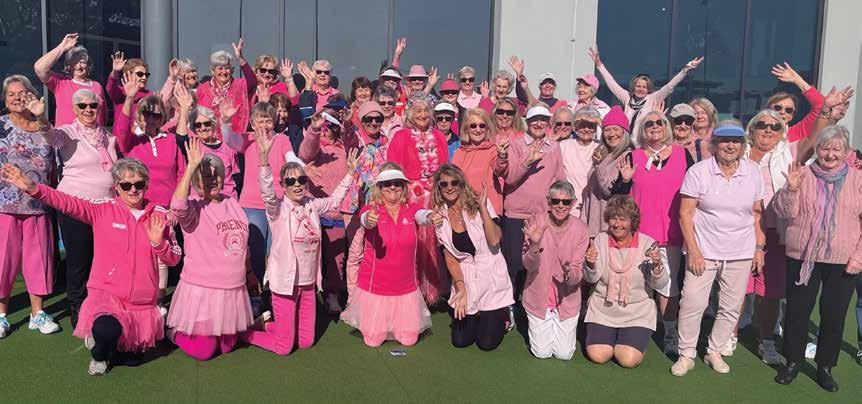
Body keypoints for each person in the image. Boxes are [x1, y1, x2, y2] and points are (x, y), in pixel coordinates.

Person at [1, 158, 181, 375]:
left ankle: (113, 345)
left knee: (132, 361)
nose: (133, 190)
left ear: (146, 185)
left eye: (139, 184)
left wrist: (158, 243)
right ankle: (99, 353)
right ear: (116, 187)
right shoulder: (103, 210)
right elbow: (66, 202)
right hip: (108, 296)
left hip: (141, 302)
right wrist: (33, 188)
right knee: (106, 330)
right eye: (126, 185)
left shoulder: (159, 215)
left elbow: (174, 259)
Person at [243, 131, 356, 355]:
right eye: (291, 181)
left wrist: (350, 174)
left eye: (301, 180)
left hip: (307, 284)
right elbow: (267, 194)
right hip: (284, 285)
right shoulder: (277, 209)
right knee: (284, 347)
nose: (297, 185)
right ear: (283, 185)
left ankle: (268, 325)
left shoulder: (312, 204)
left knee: (305, 342)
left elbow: (334, 201)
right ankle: (245, 333)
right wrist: (264, 162)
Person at [672, 122, 766, 376]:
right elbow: (685, 214)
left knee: (731, 306)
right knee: (692, 302)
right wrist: (693, 250)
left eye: (735, 141)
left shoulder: (753, 172)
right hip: (703, 251)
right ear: (714, 144)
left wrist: (759, 247)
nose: (730, 145)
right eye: (725, 140)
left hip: (741, 252)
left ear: (742, 146)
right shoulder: (699, 172)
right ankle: (686, 354)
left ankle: (714, 350)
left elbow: (757, 214)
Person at [774, 126, 862, 392]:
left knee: (834, 316)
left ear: (846, 152)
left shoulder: (858, 179)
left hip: (843, 259)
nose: (830, 154)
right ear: (817, 150)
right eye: (825, 148)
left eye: (836, 149)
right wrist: (791, 190)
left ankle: (825, 366)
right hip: (802, 256)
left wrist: (858, 257)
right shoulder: (801, 174)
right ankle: (792, 362)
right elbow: (784, 213)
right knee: (797, 312)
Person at [615, 110, 693, 355]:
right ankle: (636, 329)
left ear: (667, 127)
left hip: (672, 234)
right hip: (640, 234)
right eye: (649, 123)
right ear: (642, 129)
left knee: (669, 287)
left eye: (660, 122)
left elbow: (695, 192)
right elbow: (618, 197)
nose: (655, 126)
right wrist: (624, 180)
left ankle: (669, 332)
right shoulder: (633, 156)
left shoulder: (682, 154)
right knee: (639, 285)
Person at [40, 88, 119, 327]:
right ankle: (78, 306)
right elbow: (51, 137)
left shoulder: (108, 136)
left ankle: (101, 304)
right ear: (74, 109)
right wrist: (41, 119)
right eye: (82, 106)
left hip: (105, 207)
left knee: (102, 260)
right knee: (79, 261)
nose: (88, 110)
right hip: (75, 205)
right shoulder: (68, 132)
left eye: (93, 105)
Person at [166, 140, 252, 360]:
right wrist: (191, 167)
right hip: (204, 290)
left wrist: (249, 272)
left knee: (227, 346)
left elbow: (243, 242)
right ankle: (174, 333)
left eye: (216, 175)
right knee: (204, 351)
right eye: (205, 176)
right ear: (196, 182)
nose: (212, 180)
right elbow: (177, 206)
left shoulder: (232, 202)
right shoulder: (194, 207)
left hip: (232, 289)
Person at [341, 164, 441, 347]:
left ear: (404, 187)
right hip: (375, 288)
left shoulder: (411, 209)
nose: (392, 187)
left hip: (406, 288)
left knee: (409, 340)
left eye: (397, 183)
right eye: (387, 183)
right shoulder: (370, 209)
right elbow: (365, 220)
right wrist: (369, 220)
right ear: (379, 188)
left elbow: (422, 215)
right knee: (373, 341)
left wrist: (431, 216)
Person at [115, 72, 186, 306]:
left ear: (162, 116)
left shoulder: (171, 140)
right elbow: (121, 131)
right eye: (147, 113)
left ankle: (159, 303)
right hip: (137, 208)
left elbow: (181, 174)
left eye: (156, 114)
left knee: (161, 257)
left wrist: (175, 209)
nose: (152, 118)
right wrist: (129, 98)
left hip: (164, 210)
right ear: (140, 116)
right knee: (136, 255)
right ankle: (133, 299)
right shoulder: (132, 141)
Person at [0, 76, 60, 338]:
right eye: (11, 94)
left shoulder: (44, 127)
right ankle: (1, 315)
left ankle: (38, 313)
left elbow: (54, 165)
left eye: (21, 93)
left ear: (32, 95)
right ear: (5, 99)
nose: (16, 98)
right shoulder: (1, 125)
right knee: (4, 261)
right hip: (4, 204)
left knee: (39, 261)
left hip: (38, 202)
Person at [432, 164, 513, 351]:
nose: (450, 187)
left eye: (454, 182)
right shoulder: (439, 215)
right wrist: (461, 289)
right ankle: (477, 315)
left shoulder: (479, 203)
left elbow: (495, 240)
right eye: (444, 184)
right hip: (466, 276)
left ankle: (503, 314)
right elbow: (450, 257)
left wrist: (483, 209)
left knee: (486, 344)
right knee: (461, 341)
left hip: (490, 273)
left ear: (462, 184)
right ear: (438, 188)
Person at [583, 195, 668, 367]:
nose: (617, 224)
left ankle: (633, 339)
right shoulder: (600, 240)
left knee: (627, 359)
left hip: (636, 312)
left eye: (623, 219)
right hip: (603, 310)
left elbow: (660, 284)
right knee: (599, 355)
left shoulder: (648, 244)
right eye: (613, 218)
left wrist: (657, 265)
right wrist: (590, 263)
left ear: (632, 221)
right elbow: (591, 278)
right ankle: (609, 336)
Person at [495, 105, 565, 303]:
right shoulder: (516, 145)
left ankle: (530, 304)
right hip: (516, 214)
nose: (539, 123)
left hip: (542, 215)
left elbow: (559, 178)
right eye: (535, 119)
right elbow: (510, 178)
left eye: (543, 119)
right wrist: (527, 161)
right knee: (514, 264)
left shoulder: (554, 147)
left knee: (536, 264)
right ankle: (510, 304)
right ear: (528, 122)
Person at [222, 102, 295, 288]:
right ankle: (257, 288)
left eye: (268, 121)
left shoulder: (282, 139)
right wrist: (227, 121)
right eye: (260, 121)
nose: (264, 125)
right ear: (252, 124)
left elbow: (291, 159)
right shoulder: (248, 139)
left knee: (274, 248)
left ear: (274, 121)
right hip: (252, 204)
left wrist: (300, 170)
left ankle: (273, 287)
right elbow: (229, 139)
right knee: (256, 248)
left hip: (278, 202)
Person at [386, 97, 450, 303]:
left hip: (434, 198)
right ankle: (409, 289)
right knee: (410, 245)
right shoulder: (401, 136)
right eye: (417, 110)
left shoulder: (438, 137)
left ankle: (431, 291)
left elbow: (445, 169)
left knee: (434, 244)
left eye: (425, 110)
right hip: (410, 199)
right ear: (409, 114)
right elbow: (394, 170)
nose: (422, 114)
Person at [522, 181, 589, 360]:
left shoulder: (581, 229)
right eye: (555, 201)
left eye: (566, 202)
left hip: (567, 299)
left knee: (564, 354)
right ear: (548, 202)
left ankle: (554, 325)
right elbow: (528, 265)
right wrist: (534, 244)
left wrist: (569, 274)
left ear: (573, 203)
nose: (560, 206)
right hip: (538, 296)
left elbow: (577, 272)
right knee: (542, 353)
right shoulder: (535, 222)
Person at [299, 110, 355, 313]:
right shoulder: (315, 148)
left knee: (336, 258)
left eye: (328, 126)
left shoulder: (342, 149)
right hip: (312, 211)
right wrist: (313, 131)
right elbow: (306, 152)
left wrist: (348, 124)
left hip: (336, 211)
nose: (324, 130)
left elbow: (353, 144)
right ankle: (308, 296)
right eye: (321, 126)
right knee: (311, 257)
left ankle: (332, 294)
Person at [589, 45, 702, 135]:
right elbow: (612, 84)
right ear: (633, 87)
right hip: (626, 144)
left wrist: (686, 70)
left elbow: (669, 87)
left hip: (643, 145)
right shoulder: (627, 98)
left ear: (648, 89)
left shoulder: (653, 98)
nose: (641, 89)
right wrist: (599, 64)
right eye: (638, 86)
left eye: (644, 87)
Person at [175, 87, 239, 198]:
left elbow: (237, 178)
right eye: (198, 125)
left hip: (227, 199)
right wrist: (184, 108)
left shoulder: (228, 146)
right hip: (202, 202)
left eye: (207, 123)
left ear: (213, 124)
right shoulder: (194, 146)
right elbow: (180, 138)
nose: (203, 128)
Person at [580, 106, 633, 237]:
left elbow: (608, 191)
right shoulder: (603, 154)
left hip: (608, 225)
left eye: (616, 129)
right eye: (607, 130)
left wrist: (598, 166)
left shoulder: (627, 156)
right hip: (592, 222)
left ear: (625, 132)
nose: (611, 134)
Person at [33, 33, 107, 126]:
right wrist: (62, 47)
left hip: (93, 134)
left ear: (88, 66)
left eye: (82, 62)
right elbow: (40, 68)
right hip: (67, 135)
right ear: (68, 66)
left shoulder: (96, 86)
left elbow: (103, 116)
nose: (79, 66)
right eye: (74, 62)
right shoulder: (61, 83)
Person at [196, 40, 257, 134]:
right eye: (220, 68)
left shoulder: (239, 85)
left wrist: (240, 58)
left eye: (227, 68)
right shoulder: (203, 89)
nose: (224, 72)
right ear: (212, 71)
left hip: (235, 136)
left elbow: (252, 82)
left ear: (231, 70)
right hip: (209, 137)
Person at [451, 108, 503, 214]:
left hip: (489, 211)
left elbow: (501, 169)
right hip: (465, 210)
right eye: (473, 126)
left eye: (482, 126)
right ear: (466, 129)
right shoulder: (458, 153)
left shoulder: (493, 150)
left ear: (487, 129)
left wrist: (502, 157)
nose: (478, 130)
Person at [766, 62, 825, 143]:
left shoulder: (796, 133)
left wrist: (797, 80)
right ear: (768, 110)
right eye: (778, 108)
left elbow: (821, 105)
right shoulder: (756, 133)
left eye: (788, 110)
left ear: (791, 116)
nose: (782, 112)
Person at [559, 107, 601, 218]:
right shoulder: (564, 146)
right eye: (582, 125)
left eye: (591, 126)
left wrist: (601, 123)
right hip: (569, 206)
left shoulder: (600, 146)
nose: (586, 129)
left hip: (592, 206)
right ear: (575, 127)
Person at [106, 52, 153, 127]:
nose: (144, 78)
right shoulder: (121, 93)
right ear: (128, 74)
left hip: (144, 133)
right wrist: (115, 72)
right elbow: (111, 87)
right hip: (123, 133)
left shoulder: (151, 95)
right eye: (140, 74)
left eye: (146, 75)